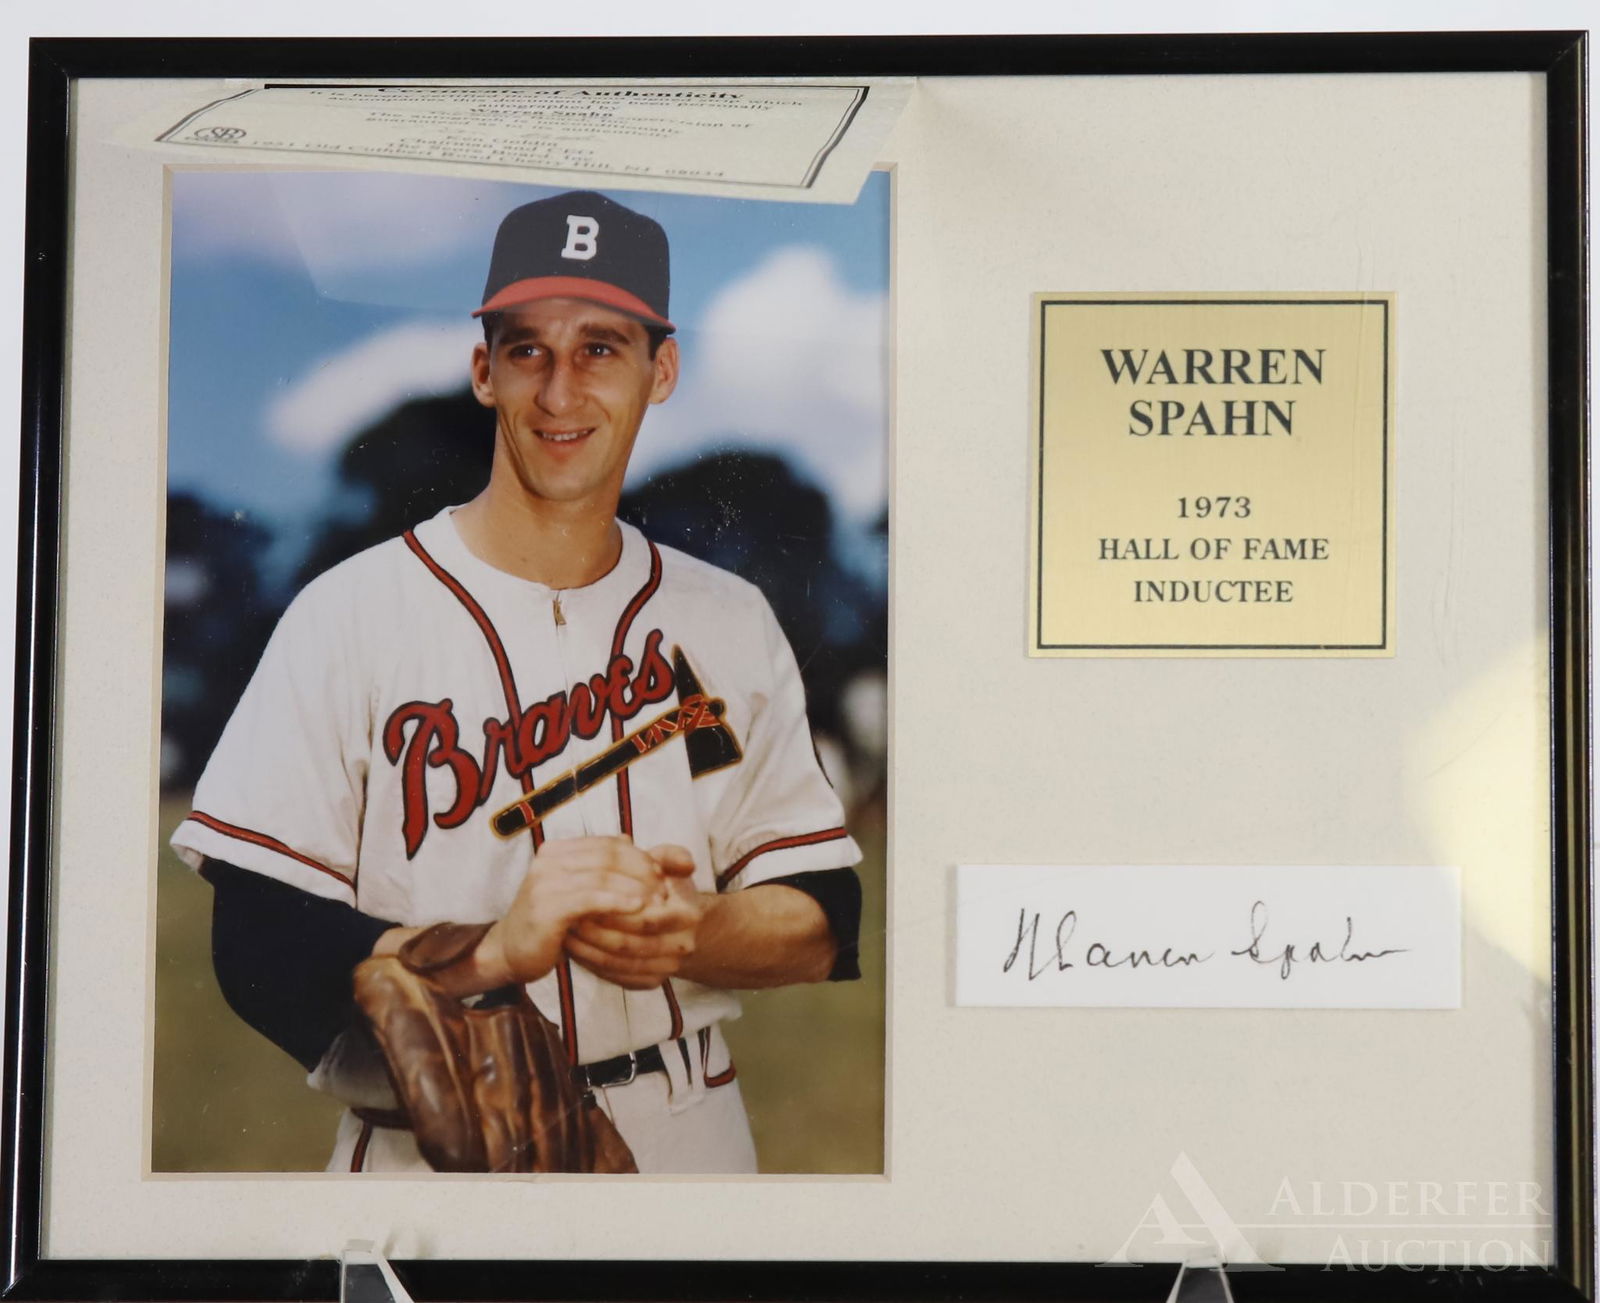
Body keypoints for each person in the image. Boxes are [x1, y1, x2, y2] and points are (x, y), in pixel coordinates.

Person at [170, 190, 864, 1174]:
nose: (560, 390)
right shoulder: (349, 614)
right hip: (434, 1145)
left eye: (600, 349)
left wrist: (697, 928)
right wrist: (492, 951)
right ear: (482, 370)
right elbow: (256, 939)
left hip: (687, 1130)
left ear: (660, 370)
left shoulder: (724, 621)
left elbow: (817, 905)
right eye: (528, 348)